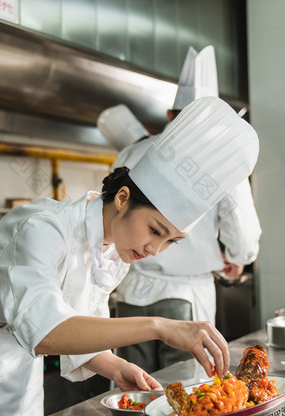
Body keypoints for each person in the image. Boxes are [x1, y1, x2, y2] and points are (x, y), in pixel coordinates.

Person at [0, 96, 258, 416]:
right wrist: (159, 326)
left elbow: (75, 327)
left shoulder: (113, 250)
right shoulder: (42, 228)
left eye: (171, 241)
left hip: (18, 373)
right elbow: (46, 332)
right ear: (122, 198)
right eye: (155, 230)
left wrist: (114, 366)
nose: (155, 249)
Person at [101, 46, 261, 373]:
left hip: (132, 291)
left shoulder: (132, 151)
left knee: (134, 388)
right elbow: (243, 237)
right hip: (187, 296)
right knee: (186, 395)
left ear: (170, 115)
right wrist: (237, 259)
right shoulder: (222, 159)